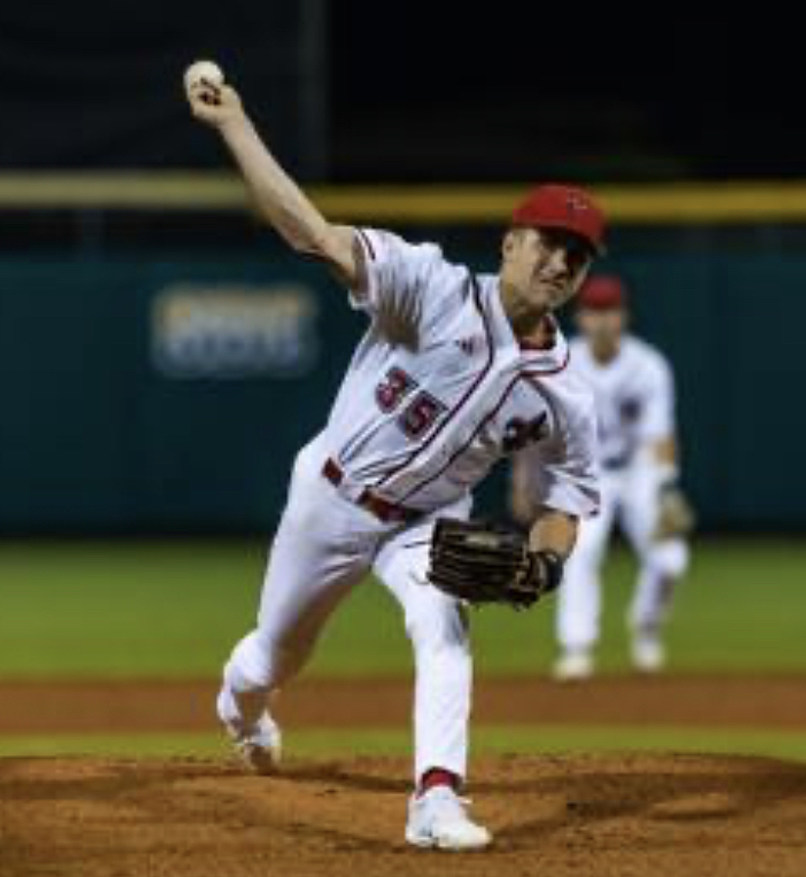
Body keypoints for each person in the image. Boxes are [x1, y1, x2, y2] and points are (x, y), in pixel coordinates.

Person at [186, 73, 602, 851]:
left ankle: (436, 798)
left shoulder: (568, 395)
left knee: (444, 624)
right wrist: (235, 125)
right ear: (510, 241)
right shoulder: (429, 287)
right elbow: (312, 232)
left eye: (576, 254)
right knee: (276, 653)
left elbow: (566, 500)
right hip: (333, 497)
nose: (560, 262)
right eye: (549, 241)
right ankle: (238, 705)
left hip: (429, 521)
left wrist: (545, 566)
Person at [515, 275, 692, 681]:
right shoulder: (562, 361)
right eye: (595, 311)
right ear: (581, 318)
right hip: (585, 473)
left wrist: (665, 487)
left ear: (624, 317)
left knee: (671, 560)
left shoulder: (648, 365)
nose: (603, 320)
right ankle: (577, 648)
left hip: (639, 471)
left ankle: (647, 628)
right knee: (580, 551)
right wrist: (525, 478)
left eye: (610, 311)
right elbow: (534, 426)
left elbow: (660, 434)